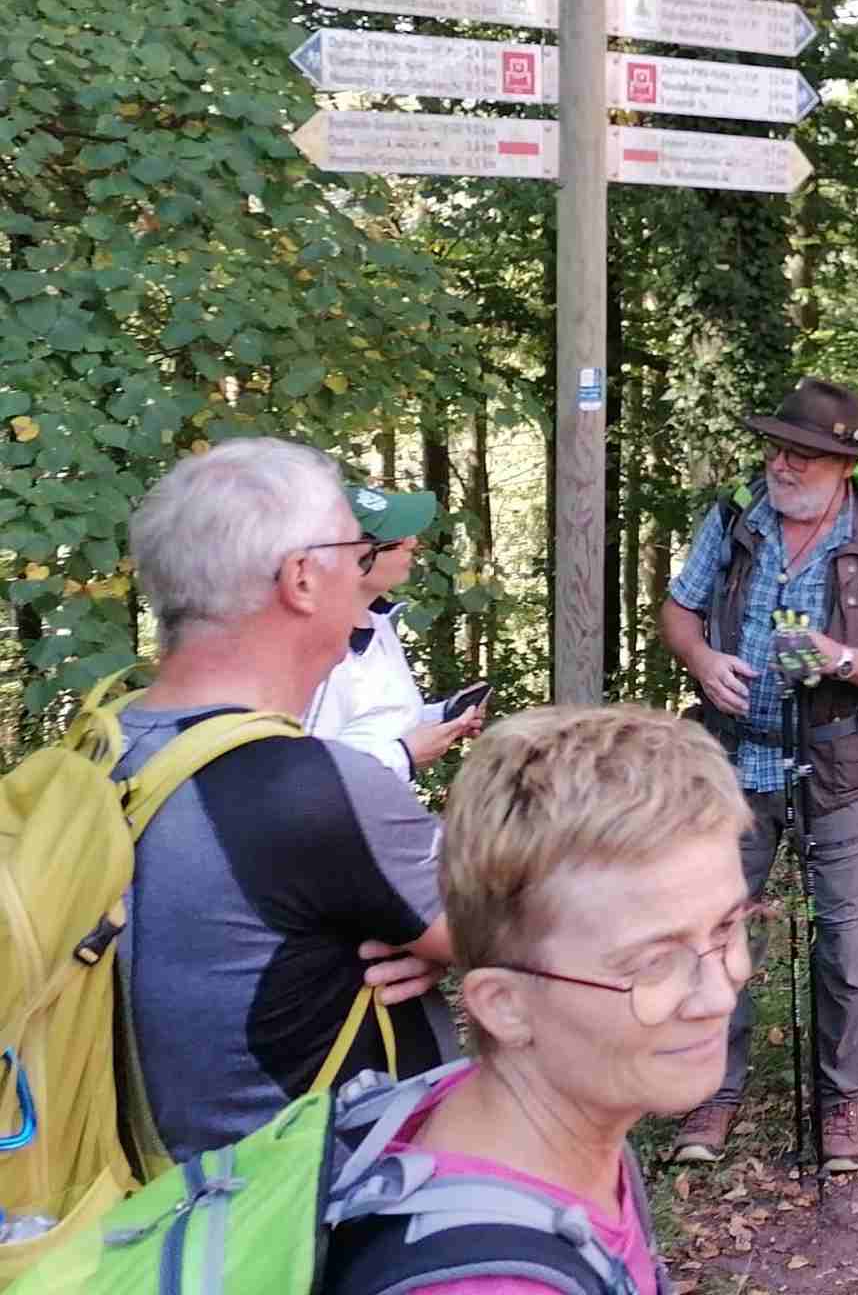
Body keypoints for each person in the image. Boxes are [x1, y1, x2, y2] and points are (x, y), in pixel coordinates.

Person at [324, 706, 753, 1295]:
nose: (718, 995)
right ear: (505, 1005)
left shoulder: (543, 1127)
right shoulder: (491, 1283)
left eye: (726, 929)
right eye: (653, 963)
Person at [117, 438, 456, 1160]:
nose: (363, 572)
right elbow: (520, 938)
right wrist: (455, 942)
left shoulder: (101, 752)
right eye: (354, 554)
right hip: (300, 1201)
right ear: (302, 578)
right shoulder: (311, 787)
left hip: (140, 1192)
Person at [658, 376, 858, 1172]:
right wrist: (702, 659)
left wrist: (840, 659)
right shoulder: (736, 515)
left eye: (802, 455)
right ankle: (713, 1092)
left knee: (842, 945)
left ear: (843, 465)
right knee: (714, 930)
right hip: (733, 761)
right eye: (777, 448)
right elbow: (678, 610)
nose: (782, 464)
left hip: (838, 765)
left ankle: (841, 1102)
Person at [305, 482, 486, 780]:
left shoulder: (377, 623)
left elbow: (378, 722)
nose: (413, 543)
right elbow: (308, 776)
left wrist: (444, 717)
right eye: (397, 539)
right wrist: (405, 756)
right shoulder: (321, 651)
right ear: (358, 556)